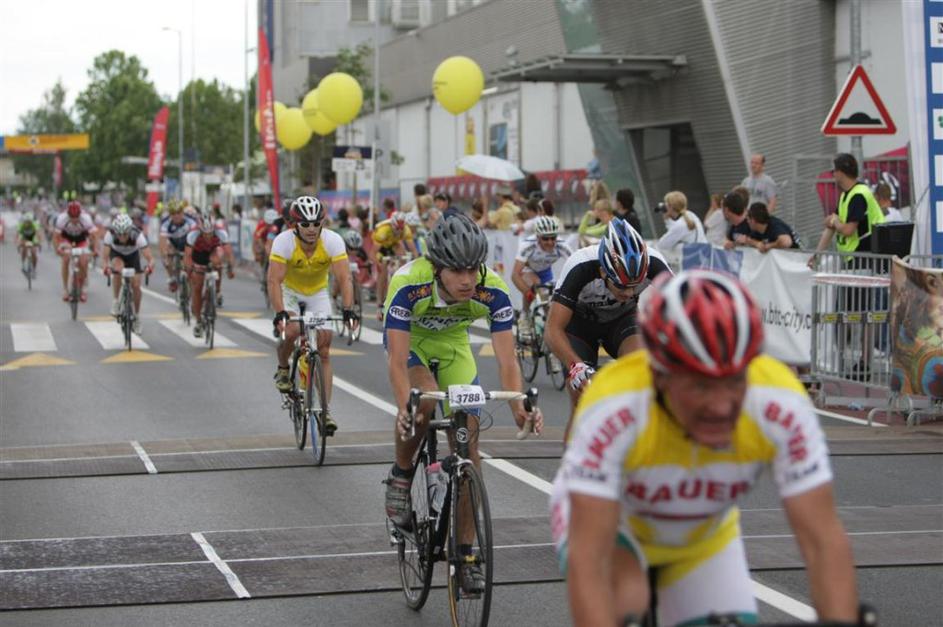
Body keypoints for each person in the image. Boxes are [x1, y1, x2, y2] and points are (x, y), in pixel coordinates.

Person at [550, 269, 858, 626]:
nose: (721, 405)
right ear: (659, 375)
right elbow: (589, 560)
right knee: (625, 598)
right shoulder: (614, 405)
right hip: (617, 527)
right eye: (700, 386)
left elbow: (822, 541)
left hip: (702, 534)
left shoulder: (779, 399)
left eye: (735, 381)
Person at [382, 214, 543, 591]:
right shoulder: (409, 283)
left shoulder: (493, 288)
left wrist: (518, 406)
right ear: (437, 267)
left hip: (454, 346)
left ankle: (466, 554)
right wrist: (405, 406)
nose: (467, 279)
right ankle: (401, 475)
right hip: (413, 345)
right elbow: (396, 360)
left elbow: (507, 360)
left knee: (469, 450)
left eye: (473, 269)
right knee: (422, 403)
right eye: (457, 270)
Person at [545, 219, 672, 435]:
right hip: (580, 325)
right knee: (582, 401)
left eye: (635, 286)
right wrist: (575, 366)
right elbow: (553, 330)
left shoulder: (654, 263)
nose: (629, 293)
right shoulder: (581, 265)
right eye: (622, 286)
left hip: (622, 319)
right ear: (603, 272)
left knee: (641, 371)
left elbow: (682, 313)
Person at [269, 196, 359, 435]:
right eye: (305, 224)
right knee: (291, 331)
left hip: (318, 293)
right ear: (295, 225)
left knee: (325, 348)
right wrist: (280, 312)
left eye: (316, 224)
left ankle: (325, 410)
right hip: (290, 292)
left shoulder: (332, 241)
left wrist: (348, 308)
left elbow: (344, 278)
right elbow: (274, 280)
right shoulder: (283, 242)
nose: (311, 229)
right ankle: (283, 368)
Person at [809, 152, 886, 266]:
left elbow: (848, 230)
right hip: (854, 257)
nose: (832, 174)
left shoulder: (858, 195)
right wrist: (817, 256)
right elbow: (830, 226)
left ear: (840, 173)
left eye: (834, 171)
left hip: (865, 258)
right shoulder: (846, 195)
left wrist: (836, 222)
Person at [512, 215, 573, 333]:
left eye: (553, 238)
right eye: (545, 239)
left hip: (545, 271)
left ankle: (549, 330)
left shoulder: (562, 245)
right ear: (538, 237)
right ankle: (524, 315)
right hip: (528, 269)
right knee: (537, 285)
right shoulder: (528, 245)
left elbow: (575, 265)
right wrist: (528, 293)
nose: (550, 242)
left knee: (548, 306)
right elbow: (515, 275)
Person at [184, 209, 236, 338]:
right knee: (197, 287)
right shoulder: (193, 233)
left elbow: (228, 252)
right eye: (204, 234)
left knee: (218, 261)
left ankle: (216, 291)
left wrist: (231, 268)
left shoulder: (221, 232)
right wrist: (189, 270)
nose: (207, 236)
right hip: (198, 255)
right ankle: (198, 321)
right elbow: (188, 256)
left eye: (210, 233)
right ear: (200, 230)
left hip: (213, 251)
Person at [103, 214, 155, 334]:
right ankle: (116, 301)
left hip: (133, 256)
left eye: (125, 234)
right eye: (119, 234)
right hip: (117, 254)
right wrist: (106, 267)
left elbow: (150, 259)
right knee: (118, 268)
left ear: (129, 231)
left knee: (136, 285)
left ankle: (137, 317)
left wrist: (149, 268)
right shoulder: (110, 234)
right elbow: (105, 257)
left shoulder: (137, 235)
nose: (122, 237)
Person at [372, 211, 419, 319]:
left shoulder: (406, 230)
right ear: (392, 225)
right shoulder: (383, 231)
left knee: (403, 256)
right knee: (382, 269)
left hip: (394, 244)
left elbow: (413, 250)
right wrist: (378, 265)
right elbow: (372, 254)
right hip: (382, 247)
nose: (399, 232)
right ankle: (380, 301)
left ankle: (401, 280)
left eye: (401, 230)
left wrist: (415, 263)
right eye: (397, 229)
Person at [54, 200, 97, 302]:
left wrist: (94, 250)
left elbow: (94, 236)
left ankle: (83, 287)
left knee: (83, 261)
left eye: (76, 217)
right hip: (67, 239)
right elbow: (56, 237)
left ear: (80, 214)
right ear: (68, 214)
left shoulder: (86, 219)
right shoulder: (62, 218)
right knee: (65, 259)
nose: (74, 219)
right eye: (71, 217)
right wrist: (57, 249)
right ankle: (65, 289)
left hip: (81, 239)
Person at [159, 200, 197, 292]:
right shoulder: (165, 223)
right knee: (166, 256)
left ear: (182, 213)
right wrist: (165, 255)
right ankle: (172, 278)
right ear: (170, 214)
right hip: (173, 243)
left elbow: (196, 239)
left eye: (179, 213)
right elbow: (162, 242)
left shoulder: (190, 220)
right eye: (173, 213)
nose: (176, 216)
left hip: (187, 242)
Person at [654, 190, 706, 257]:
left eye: (666, 203)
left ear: (671, 207)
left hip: (696, 257)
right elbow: (676, 231)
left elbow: (662, 245)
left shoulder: (680, 226)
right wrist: (668, 219)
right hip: (704, 253)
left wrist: (667, 220)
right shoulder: (690, 214)